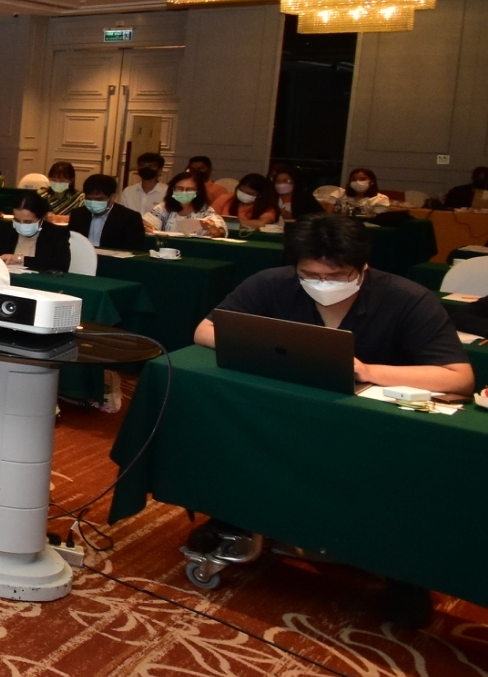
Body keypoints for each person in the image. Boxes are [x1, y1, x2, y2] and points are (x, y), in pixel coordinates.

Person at [187, 213, 473, 622]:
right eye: (310, 275)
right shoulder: (272, 283)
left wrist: (368, 370)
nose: (322, 283)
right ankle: (234, 519)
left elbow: (458, 377)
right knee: (235, 430)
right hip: (288, 417)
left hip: (372, 428)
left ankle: (404, 572)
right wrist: (277, 350)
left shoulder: (406, 298)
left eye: (336, 276)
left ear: (362, 267)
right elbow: (204, 330)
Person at [0, 191, 72, 273]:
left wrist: (20, 259)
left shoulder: (56, 233)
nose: (21, 225)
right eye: (17, 220)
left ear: (42, 219)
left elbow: (61, 264)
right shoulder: (5, 230)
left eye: (28, 222)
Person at [70, 173, 146, 251]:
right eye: (89, 199)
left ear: (112, 197)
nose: (93, 202)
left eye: (99, 199)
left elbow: (133, 250)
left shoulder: (129, 218)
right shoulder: (77, 215)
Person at [145, 171, 226, 236]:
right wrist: (146, 227)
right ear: (172, 189)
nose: (184, 192)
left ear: (198, 191)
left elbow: (220, 232)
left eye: (189, 189)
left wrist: (215, 231)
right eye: (179, 188)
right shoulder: (163, 208)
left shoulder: (206, 211)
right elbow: (147, 224)